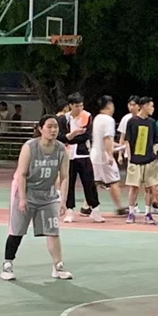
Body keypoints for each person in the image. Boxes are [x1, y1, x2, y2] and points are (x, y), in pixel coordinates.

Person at [0, 115, 72, 281]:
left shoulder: (61, 149)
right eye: (49, 126)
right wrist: (22, 198)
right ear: (40, 129)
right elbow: (22, 174)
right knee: (17, 230)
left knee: (53, 230)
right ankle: (7, 263)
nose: (53, 130)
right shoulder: (30, 147)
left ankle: (58, 266)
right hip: (26, 190)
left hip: (48, 194)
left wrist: (63, 200)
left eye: (56, 127)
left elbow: (65, 176)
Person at [58, 93, 102, 223]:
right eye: (77, 106)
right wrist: (73, 135)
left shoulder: (87, 116)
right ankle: (69, 211)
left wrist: (70, 138)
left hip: (83, 154)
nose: (80, 108)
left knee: (89, 183)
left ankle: (95, 210)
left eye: (81, 105)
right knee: (69, 183)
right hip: (68, 156)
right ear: (70, 106)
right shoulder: (63, 119)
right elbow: (61, 137)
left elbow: (86, 136)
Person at [125, 96, 158, 224]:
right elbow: (127, 141)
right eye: (151, 106)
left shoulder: (152, 122)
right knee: (133, 188)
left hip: (150, 161)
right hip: (135, 161)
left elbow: (155, 142)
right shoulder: (132, 121)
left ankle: (148, 213)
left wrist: (155, 154)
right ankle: (131, 213)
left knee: (150, 189)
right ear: (144, 106)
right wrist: (129, 158)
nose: (153, 108)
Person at [90, 95, 127, 216]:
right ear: (109, 106)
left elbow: (104, 139)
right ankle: (120, 207)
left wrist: (119, 146)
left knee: (96, 182)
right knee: (113, 181)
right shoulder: (109, 120)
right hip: (104, 156)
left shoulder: (97, 118)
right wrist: (110, 155)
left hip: (95, 155)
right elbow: (107, 139)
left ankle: (86, 206)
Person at [117, 95, 139, 163]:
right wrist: (120, 155)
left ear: (139, 106)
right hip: (128, 153)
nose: (131, 107)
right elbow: (122, 137)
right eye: (130, 105)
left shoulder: (143, 119)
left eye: (134, 105)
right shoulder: (125, 118)